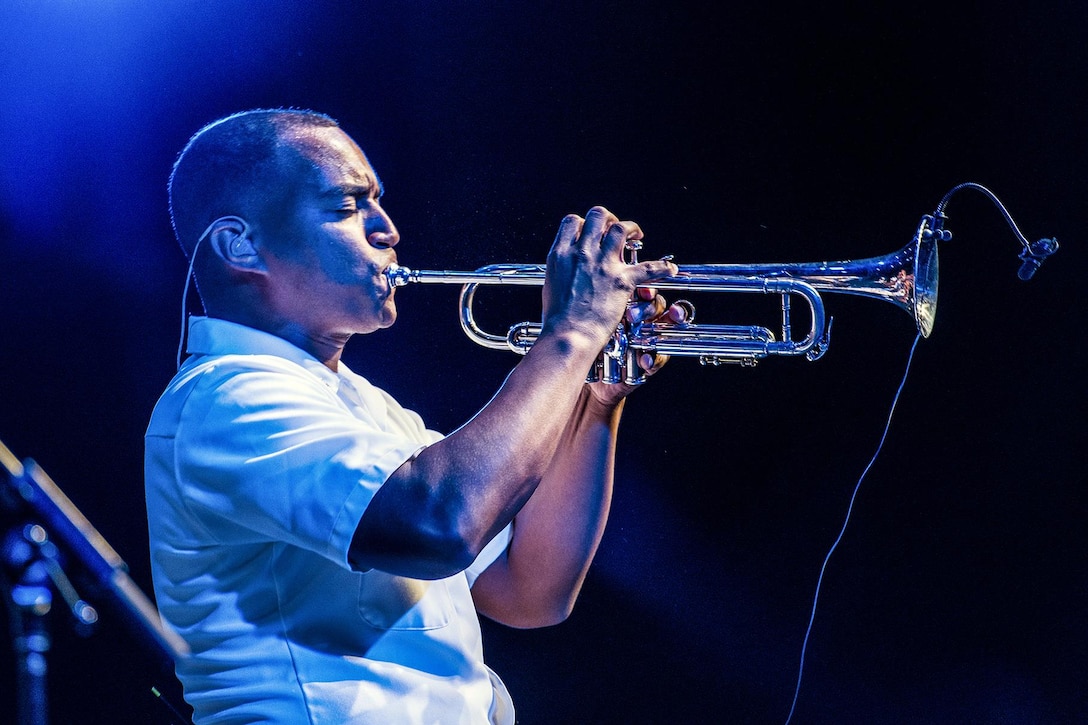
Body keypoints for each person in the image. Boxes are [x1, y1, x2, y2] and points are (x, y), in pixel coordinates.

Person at [145, 108, 682, 724]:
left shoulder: (367, 408)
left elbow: (530, 591)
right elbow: (441, 523)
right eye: (348, 206)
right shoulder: (227, 397)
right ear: (241, 245)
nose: (388, 229)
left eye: (378, 203)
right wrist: (574, 329)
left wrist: (597, 393)